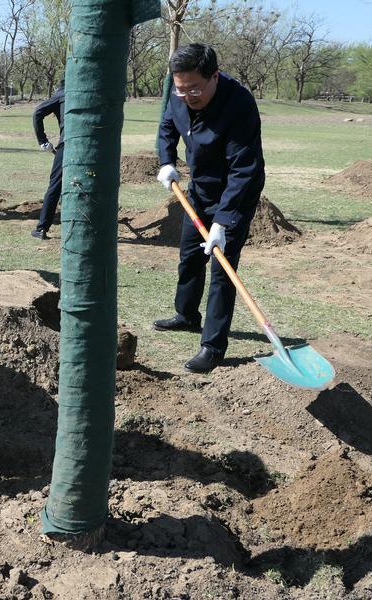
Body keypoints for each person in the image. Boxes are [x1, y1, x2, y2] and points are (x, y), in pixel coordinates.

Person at [154, 43, 265, 374]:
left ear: (214, 76)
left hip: (235, 193)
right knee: (189, 254)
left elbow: (243, 170)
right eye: (181, 89)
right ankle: (187, 315)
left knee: (222, 268)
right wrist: (166, 161)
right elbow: (166, 125)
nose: (187, 95)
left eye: (195, 89)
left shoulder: (239, 104)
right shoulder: (177, 92)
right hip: (199, 189)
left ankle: (213, 345)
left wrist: (224, 221)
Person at [31, 80, 65, 240]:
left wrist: (42, 140)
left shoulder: (61, 94)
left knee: (55, 185)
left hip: (68, 144)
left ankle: (42, 228)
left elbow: (37, 113)